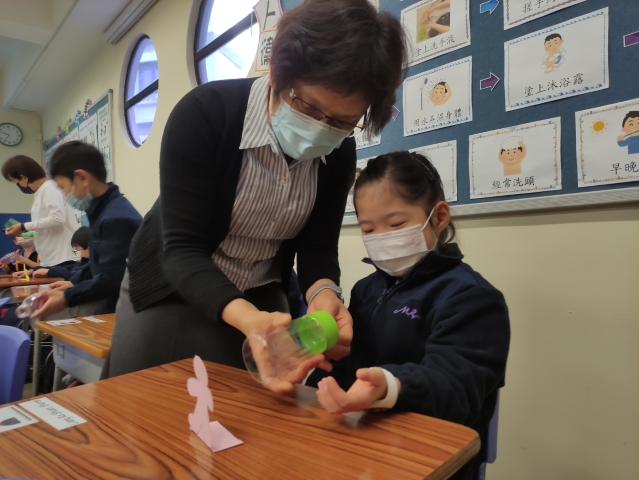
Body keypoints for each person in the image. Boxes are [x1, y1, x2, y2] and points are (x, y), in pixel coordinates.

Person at [102, 0, 408, 390]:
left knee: (252, 410)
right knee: (145, 400)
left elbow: (317, 248)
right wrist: (249, 320)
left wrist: (323, 292)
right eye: (308, 107)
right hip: (173, 284)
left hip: (262, 293)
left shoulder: (339, 151)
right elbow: (181, 249)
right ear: (278, 73)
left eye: (342, 121)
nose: (321, 129)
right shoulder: (206, 113)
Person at [308, 151, 510, 480]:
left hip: (429, 460)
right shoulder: (365, 290)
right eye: (368, 230)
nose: (381, 238)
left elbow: (455, 390)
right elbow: (339, 367)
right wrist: (315, 384)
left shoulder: (472, 299)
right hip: (358, 449)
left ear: (439, 216)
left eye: (396, 225)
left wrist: (391, 386)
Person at [30, 142, 142, 318]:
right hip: (112, 298)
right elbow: (98, 264)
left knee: (45, 317)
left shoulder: (115, 218)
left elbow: (113, 278)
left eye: (63, 188)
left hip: (125, 305)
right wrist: (73, 282)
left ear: (82, 178)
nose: (64, 195)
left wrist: (67, 297)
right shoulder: (104, 211)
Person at [2, 155, 80, 267]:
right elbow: (45, 228)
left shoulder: (49, 189)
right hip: (50, 259)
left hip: (63, 258)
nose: (18, 186)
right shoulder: (41, 192)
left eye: (16, 182)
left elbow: (58, 219)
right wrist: (21, 231)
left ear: (24, 177)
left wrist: (23, 226)